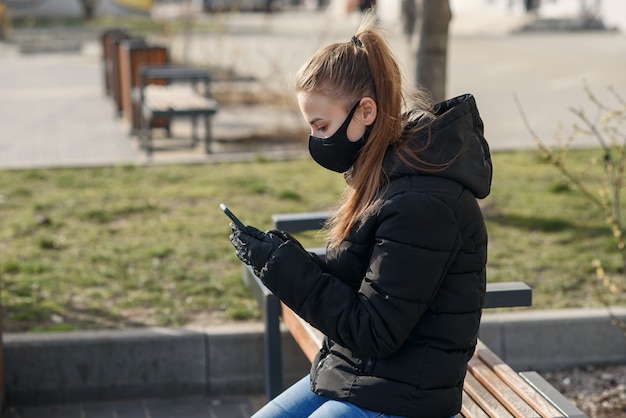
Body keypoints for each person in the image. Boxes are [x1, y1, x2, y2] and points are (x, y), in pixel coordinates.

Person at [229, 10, 492, 418]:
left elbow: (374, 330)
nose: (314, 141)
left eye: (320, 126)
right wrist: (281, 257)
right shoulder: (386, 171)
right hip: (359, 373)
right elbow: (364, 280)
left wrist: (287, 273)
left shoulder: (422, 202)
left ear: (365, 111)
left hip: (405, 394)